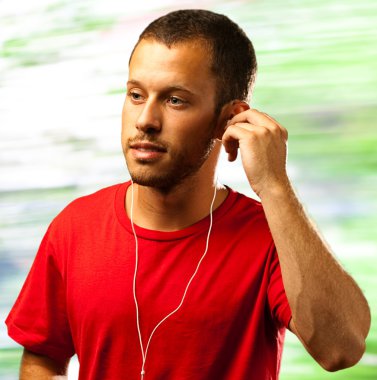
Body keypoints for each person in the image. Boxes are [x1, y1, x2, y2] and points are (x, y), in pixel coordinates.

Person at [6, 9, 370, 380]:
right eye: (135, 94)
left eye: (175, 100)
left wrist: (274, 185)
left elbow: (340, 349)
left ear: (229, 118)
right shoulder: (75, 226)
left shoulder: (273, 235)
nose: (145, 119)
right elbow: (42, 357)